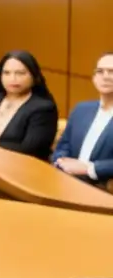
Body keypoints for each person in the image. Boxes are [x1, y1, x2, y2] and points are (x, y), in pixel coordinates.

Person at [0, 50, 59, 160]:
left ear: (34, 76)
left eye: (20, 73)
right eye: (6, 73)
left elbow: (29, 149)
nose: (13, 79)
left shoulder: (43, 109)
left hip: (22, 169)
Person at [53, 52, 113, 184]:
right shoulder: (81, 109)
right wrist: (62, 161)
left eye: (111, 72)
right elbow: (63, 145)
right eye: (100, 71)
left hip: (101, 188)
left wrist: (89, 169)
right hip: (65, 180)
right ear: (94, 78)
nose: (106, 77)